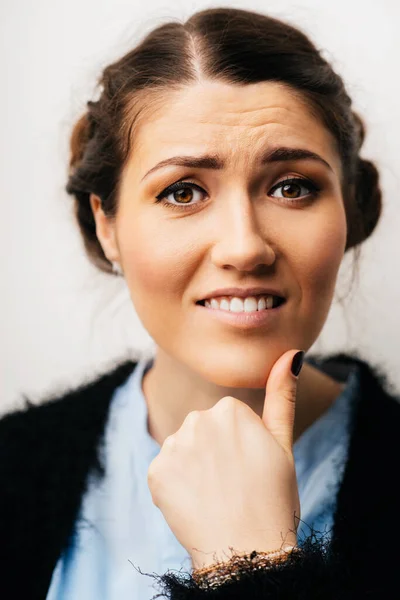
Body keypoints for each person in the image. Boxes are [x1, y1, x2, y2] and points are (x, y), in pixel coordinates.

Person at [1, 6, 399, 599]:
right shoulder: (10, 472)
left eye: (292, 186)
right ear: (106, 223)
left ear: (350, 207)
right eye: (182, 191)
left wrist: (249, 566)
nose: (244, 247)